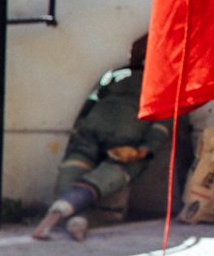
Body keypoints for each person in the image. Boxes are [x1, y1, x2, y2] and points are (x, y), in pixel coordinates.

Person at [32, 34, 170, 241]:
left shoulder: (161, 82)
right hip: (91, 133)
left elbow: (163, 122)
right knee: (71, 172)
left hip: (126, 143)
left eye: (141, 51)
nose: (135, 54)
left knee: (110, 175)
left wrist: (145, 149)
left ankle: (62, 213)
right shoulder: (116, 74)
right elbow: (92, 100)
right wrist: (80, 126)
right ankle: (74, 218)